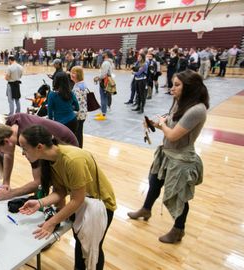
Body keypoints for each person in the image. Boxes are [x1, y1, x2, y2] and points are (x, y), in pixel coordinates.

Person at [18, 125, 116, 270]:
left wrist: (52, 222)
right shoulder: (51, 159)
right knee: (81, 244)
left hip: (101, 206)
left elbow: (77, 199)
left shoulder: (73, 160)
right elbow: (60, 191)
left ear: (39, 147)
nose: (22, 153)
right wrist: (39, 203)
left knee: (92, 247)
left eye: (24, 149)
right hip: (84, 205)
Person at [128, 70, 209, 244]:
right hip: (167, 154)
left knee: (178, 195)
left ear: (190, 87)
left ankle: (179, 230)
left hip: (181, 159)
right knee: (154, 182)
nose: (172, 88)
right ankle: (146, 209)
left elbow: (172, 135)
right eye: (173, 84)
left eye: (177, 85)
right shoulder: (180, 102)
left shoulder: (197, 110)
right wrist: (155, 124)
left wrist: (163, 125)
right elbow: (171, 126)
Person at [0, 113, 78, 201]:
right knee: (45, 185)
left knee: (58, 187)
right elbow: (8, 154)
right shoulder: (10, 126)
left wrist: (11, 194)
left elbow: (38, 182)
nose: (1, 153)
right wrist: (6, 183)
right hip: (53, 137)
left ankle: (61, 212)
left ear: (6, 142)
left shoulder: (29, 141)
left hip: (66, 143)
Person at [47, 72, 79, 137]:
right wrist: (68, 108)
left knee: (61, 145)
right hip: (73, 121)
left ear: (55, 81)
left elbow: (49, 112)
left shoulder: (52, 95)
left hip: (60, 124)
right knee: (72, 144)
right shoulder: (71, 93)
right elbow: (77, 107)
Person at [70, 66, 88, 148]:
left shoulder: (78, 87)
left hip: (79, 114)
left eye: (74, 73)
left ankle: (78, 149)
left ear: (79, 74)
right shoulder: (81, 84)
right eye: (71, 72)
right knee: (79, 133)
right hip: (83, 113)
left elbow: (77, 103)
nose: (71, 74)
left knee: (77, 134)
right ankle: (79, 148)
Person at [94, 51, 113, 121]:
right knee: (104, 96)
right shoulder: (109, 62)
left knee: (103, 97)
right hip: (106, 80)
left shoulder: (106, 63)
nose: (102, 54)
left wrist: (97, 78)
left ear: (106, 55)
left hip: (104, 81)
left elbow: (103, 74)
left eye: (104, 53)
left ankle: (103, 113)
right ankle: (103, 111)